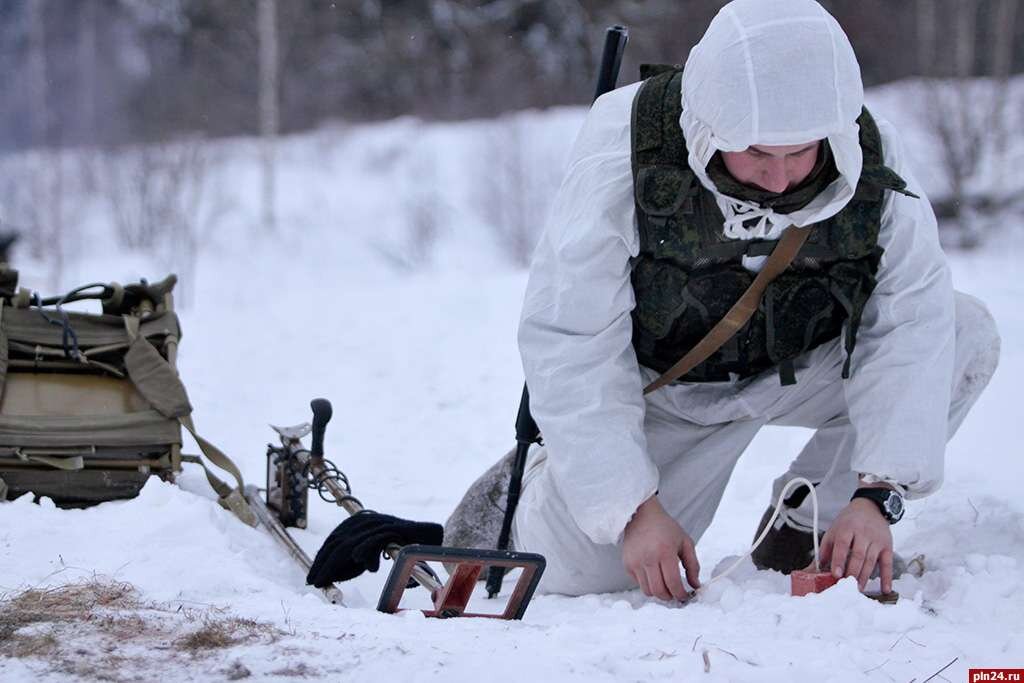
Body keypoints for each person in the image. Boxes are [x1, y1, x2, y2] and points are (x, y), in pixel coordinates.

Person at [445, 0, 1000, 601]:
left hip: (804, 366)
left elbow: (910, 318)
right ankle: (541, 483)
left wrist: (876, 493)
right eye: (758, 152)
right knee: (588, 573)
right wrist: (631, 511)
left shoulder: (868, 151)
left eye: (798, 152)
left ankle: (806, 524)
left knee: (963, 330)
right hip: (671, 391)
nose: (781, 178)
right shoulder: (626, 148)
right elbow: (574, 335)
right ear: (711, 125)